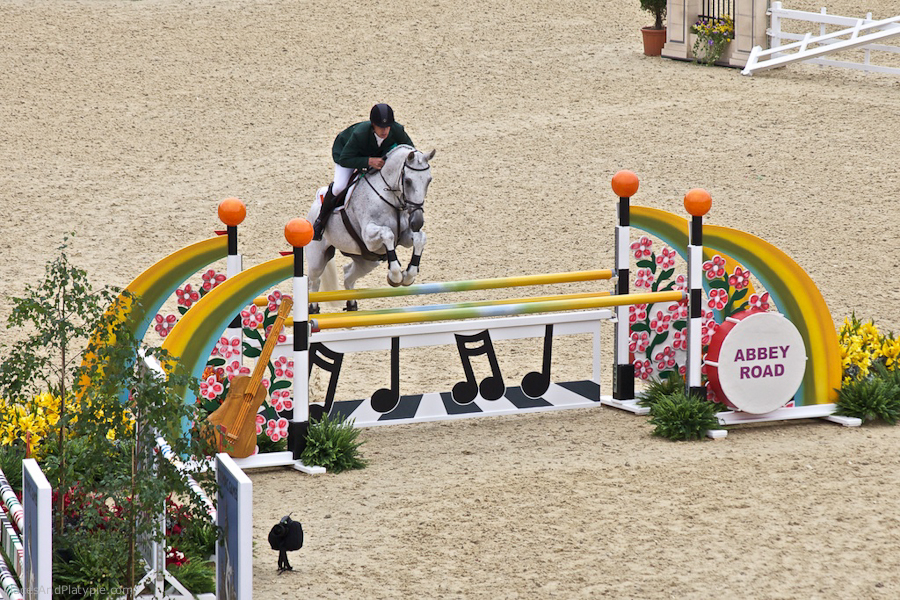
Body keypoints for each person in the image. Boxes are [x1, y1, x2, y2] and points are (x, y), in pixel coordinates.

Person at [312, 103, 415, 240]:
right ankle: (320, 222)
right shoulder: (360, 134)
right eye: (380, 127)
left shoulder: (397, 130)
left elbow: (411, 151)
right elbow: (345, 159)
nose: (384, 131)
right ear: (373, 125)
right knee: (339, 187)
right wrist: (368, 161)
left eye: (387, 127)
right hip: (347, 154)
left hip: (376, 154)